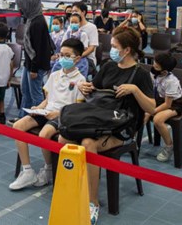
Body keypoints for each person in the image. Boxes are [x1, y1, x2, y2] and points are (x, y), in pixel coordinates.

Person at [59, 27, 155, 225]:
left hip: (122, 127)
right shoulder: (109, 66)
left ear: (126, 50)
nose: (110, 50)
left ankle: (92, 202)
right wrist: (85, 87)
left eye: (114, 46)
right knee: (64, 137)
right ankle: (72, 188)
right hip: (100, 118)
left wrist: (135, 91)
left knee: (88, 143)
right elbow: (94, 91)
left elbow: (152, 108)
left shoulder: (141, 75)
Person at [10, 38, 87, 190]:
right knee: (18, 126)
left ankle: (48, 169)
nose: (62, 58)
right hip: (46, 111)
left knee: (44, 134)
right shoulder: (55, 75)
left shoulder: (81, 80)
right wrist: (38, 107)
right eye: (61, 55)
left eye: (67, 56)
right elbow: (47, 99)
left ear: (77, 59)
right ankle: (27, 171)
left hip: (63, 115)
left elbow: (77, 108)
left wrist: (57, 113)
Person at [15, 0, 54, 119]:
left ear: (28, 5)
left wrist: (34, 69)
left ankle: (38, 120)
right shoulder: (31, 18)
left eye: (21, 6)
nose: (19, 9)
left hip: (36, 65)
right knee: (25, 92)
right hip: (29, 62)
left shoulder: (38, 22)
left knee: (35, 94)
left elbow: (38, 49)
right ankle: (23, 117)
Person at [147, 52, 182, 162]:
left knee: (157, 120)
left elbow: (168, 104)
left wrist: (151, 111)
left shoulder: (171, 81)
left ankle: (169, 146)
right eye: (154, 62)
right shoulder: (155, 73)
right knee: (141, 110)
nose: (154, 65)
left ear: (164, 70)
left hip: (175, 104)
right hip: (160, 99)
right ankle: (132, 139)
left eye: (157, 65)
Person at [71, 2, 99, 73]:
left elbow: (91, 48)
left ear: (83, 12)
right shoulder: (70, 27)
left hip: (87, 59)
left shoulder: (92, 27)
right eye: (72, 11)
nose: (74, 13)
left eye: (76, 11)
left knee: (75, 71)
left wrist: (78, 57)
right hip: (71, 57)